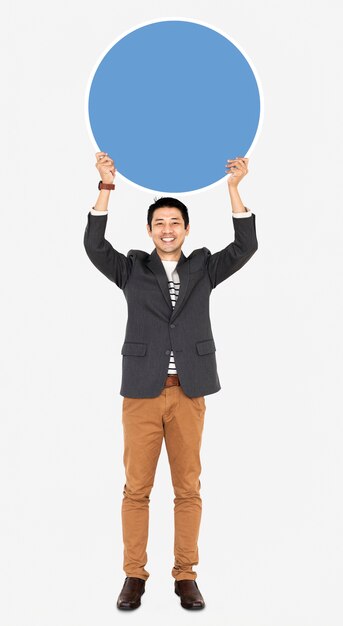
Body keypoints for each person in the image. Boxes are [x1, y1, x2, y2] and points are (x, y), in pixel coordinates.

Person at [83, 152, 258, 611]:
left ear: (185, 229)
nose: (167, 228)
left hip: (189, 393)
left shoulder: (203, 267)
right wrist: (105, 187)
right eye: (159, 222)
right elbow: (95, 247)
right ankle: (134, 576)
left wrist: (234, 189)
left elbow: (245, 247)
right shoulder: (132, 268)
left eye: (174, 222)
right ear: (148, 230)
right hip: (141, 392)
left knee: (187, 488)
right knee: (136, 489)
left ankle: (185, 576)